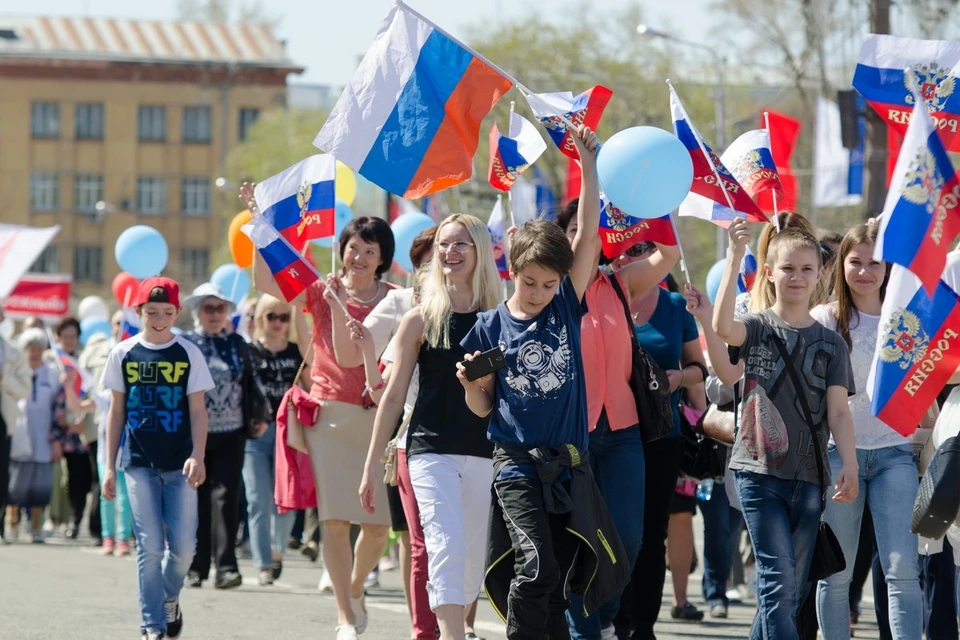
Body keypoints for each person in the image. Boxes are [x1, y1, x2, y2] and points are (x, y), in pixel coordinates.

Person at [459, 126, 621, 640]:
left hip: (571, 464)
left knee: (559, 582)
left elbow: (587, 236)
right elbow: (482, 408)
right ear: (512, 270)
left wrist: (589, 166)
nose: (538, 293)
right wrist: (470, 383)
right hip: (516, 465)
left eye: (549, 285)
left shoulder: (566, 309)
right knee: (535, 568)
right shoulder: (488, 327)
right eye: (530, 282)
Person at [246, 193, 398, 637]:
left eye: (371, 250)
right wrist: (260, 227)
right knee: (333, 520)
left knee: (376, 527)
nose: (360, 256)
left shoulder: (396, 298)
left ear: (382, 258)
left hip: (378, 418)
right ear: (343, 247)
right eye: (354, 246)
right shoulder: (321, 287)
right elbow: (265, 279)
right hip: (328, 414)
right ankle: (344, 614)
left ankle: (354, 585)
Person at [709, 219, 859, 640]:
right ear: (770, 273)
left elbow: (839, 413)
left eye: (807, 269)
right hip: (757, 474)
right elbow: (723, 329)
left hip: (811, 479)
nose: (797, 276)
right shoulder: (756, 326)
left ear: (819, 275)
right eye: (787, 268)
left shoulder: (832, 345)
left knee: (792, 591)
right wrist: (734, 257)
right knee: (777, 583)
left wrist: (849, 463)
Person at [360, 214, 500, 640]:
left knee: (473, 560)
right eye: (443, 244)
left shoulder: (499, 320)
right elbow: (393, 397)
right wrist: (369, 467)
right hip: (427, 450)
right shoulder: (418, 320)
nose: (449, 252)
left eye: (460, 244)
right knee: (442, 544)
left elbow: (496, 402)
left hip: (483, 453)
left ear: (479, 251)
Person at [553, 203, 680, 640]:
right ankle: (584, 629)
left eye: (587, 230)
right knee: (578, 543)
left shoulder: (618, 283)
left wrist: (656, 204)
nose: (582, 237)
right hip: (573, 436)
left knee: (629, 539)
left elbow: (669, 254)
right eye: (572, 231)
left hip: (623, 430)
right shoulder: (555, 290)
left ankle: (602, 614)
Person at [813, 223, 922, 640]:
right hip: (839, 456)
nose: (863, 271)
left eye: (873, 262)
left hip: (897, 454)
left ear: (887, 268)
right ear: (841, 264)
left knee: (903, 573)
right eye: (854, 261)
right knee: (836, 574)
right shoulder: (825, 319)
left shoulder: (905, 318)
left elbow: (922, 384)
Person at [332, 225, 438, 640]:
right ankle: (422, 630)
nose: (442, 262)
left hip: (465, 436)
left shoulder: (480, 304)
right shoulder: (400, 304)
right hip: (404, 431)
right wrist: (347, 316)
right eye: (429, 259)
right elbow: (355, 362)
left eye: (451, 250)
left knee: (452, 541)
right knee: (415, 540)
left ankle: (458, 626)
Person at [102, 276, 214, 640]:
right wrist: (108, 466)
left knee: (183, 548)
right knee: (149, 546)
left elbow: (198, 411)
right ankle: (152, 624)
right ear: (138, 311)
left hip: (181, 463)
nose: (160, 318)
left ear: (178, 311)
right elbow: (116, 412)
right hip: (138, 463)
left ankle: (169, 596)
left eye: (167, 311)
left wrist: (198, 455)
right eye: (152, 311)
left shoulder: (188, 353)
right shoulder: (123, 353)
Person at [611, 256, 708, 634]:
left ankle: (642, 625)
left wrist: (678, 377)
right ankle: (613, 620)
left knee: (651, 537)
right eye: (618, 249)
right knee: (617, 533)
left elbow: (698, 368)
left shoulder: (674, 305)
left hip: (660, 439)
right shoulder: (598, 294)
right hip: (609, 437)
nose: (626, 257)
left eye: (637, 248)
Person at [183, 282, 269, 589]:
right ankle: (196, 567)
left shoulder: (237, 343)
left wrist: (261, 416)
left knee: (227, 498)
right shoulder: (186, 344)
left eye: (221, 308)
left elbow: (252, 382)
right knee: (197, 500)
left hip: (232, 432)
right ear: (198, 312)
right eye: (209, 308)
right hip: (195, 434)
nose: (216, 314)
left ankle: (227, 568)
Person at [244, 294, 307, 586]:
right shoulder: (249, 352)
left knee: (286, 499)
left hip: (290, 433)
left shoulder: (297, 352)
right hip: (256, 435)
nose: (279, 323)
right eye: (272, 317)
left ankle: (277, 551)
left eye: (284, 317)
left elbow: (310, 388)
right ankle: (263, 562)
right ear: (260, 319)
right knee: (258, 500)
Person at [5, 328, 65, 543]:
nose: (35, 353)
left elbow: (58, 408)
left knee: (41, 486)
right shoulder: (15, 371)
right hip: (19, 434)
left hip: (43, 436)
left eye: (39, 349)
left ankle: (36, 528)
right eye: (31, 349)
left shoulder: (52, 373)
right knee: (16, 485)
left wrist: (57, 440)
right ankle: (12, 523)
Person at [53, 316, 94, 541]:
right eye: (65, 336)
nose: (69, 340)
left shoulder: (83, 359)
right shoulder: (53, 360)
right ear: (58, 338)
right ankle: (68, 518)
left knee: (83, 477)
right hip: (60, 429)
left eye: (73, 336)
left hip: (81, 428)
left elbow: (89, 391)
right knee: (66, 479)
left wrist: (80, 420)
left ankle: (78, 518)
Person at [0, 306, 32, 542]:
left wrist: (4, 378)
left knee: (2, 474)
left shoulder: (12, 352)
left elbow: (24, 390)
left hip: (3, 420)